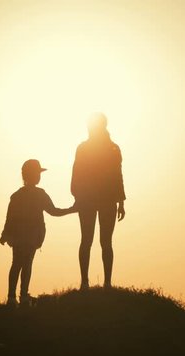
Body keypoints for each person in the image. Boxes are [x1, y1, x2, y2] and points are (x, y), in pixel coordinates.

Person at [0, 159, 76, 306]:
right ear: (35, 175)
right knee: (26, 264)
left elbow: (9, 217)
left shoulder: (16, 196)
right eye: (38, 173)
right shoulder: (40, 194)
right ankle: (22, 297)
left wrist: (5, 234)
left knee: (16, 264)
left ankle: (12, 298)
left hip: (18, 236)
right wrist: (72, 209)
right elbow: (54, 212)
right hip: (32, 236)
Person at [71, 113, 126, 290]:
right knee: (95, 241)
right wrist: (77, 195)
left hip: (101, 199)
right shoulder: (110, 149)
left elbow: (118, 175)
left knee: (99, 241)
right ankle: (91, 282)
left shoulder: (111, 149)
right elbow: (77, 174)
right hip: (97, 199)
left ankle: (99, 283)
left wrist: (121, 201)